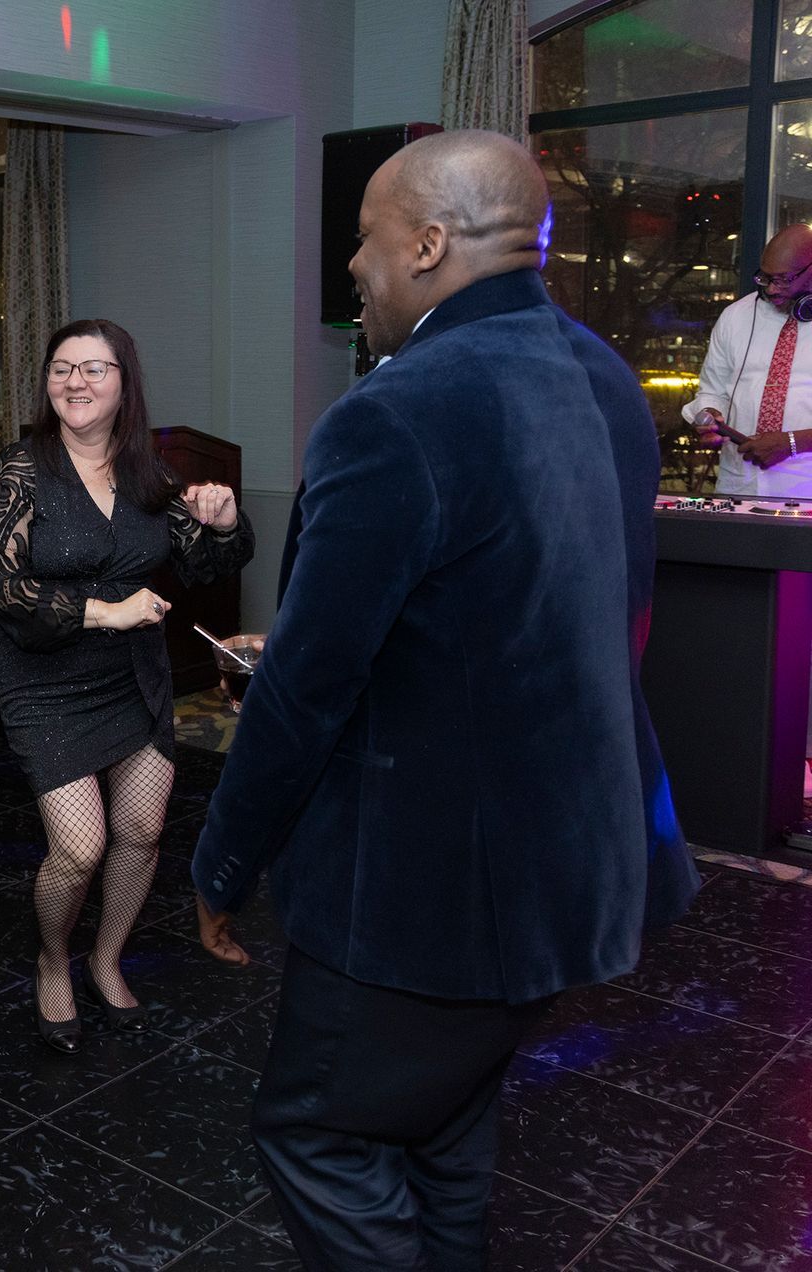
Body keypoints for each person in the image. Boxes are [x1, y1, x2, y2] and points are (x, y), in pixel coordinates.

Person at [189, 131, 701, 1270]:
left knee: (316, 1130)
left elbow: (308, 690)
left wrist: (223, 868)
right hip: (577, 869)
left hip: (430, 897)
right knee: (447, 1121)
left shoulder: (396, 409)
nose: (354, 274)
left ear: (426, 244)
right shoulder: (608, 376)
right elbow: (551, 606)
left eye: (365, 244)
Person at [0, 318, 253, 1055]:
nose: (75, 381)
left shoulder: (149, 474)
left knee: (140, 833)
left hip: (134, 679)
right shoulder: (24, 466)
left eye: (94, 369)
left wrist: (222, 523)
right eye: (62, 368)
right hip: (47, 680)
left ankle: (105, 958)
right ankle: (52, 959)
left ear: (124, 383)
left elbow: (201, 563)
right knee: (77, 848)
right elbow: (5, 590)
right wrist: (109, 611)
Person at [686, 223, 812, 497]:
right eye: (765, 278)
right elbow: (712, 390)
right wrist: (709, 415)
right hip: (737, 487)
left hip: (806, 492)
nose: (773, 289)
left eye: (784, 279)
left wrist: (791, 442)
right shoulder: (736, 317)